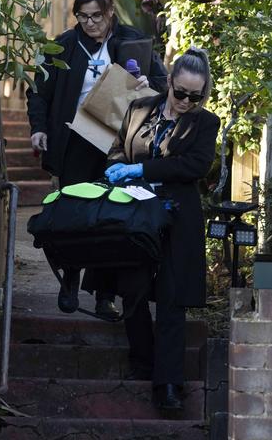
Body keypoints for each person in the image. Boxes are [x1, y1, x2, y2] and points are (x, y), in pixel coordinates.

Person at [26, 0, 168, 319]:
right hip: (76, 140)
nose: (89, 23)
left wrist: (148, 85)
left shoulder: (133, 40)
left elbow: (164, 85)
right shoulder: (63, 46)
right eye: (83, 16)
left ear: (109, 12)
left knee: (111, 220)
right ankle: (69, 281)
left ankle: (105, 296)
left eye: (96, 16)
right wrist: (39, 129)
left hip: (118, 145)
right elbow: (37, 91)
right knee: (74, 214)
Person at [105, 47, 219, 409]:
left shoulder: (205, 123)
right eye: (181, 92)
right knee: (132, 288)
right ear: (168, 82)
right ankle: (143, 361)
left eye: (195, 96)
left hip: (177, 217)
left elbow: (194, 166)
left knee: (171, 299)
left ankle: (168, 384)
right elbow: (118, 149)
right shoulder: (140, 108)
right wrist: (119, 168)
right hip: (135, 215)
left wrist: (143, 170)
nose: (187, 101)